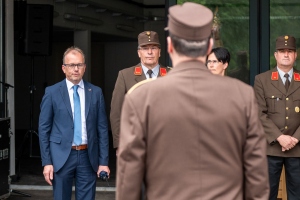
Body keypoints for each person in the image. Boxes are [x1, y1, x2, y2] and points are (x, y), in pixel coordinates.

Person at [116, 2, 269, 200]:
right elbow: (257, 175)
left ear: (169, 47)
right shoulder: (242, 95)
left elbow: (129, 180)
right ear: (209, 47)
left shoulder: (140, 98)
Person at [39, 46, 110, 200]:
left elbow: (102, 129)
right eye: (71, 65)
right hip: (61, 156)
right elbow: (44, 129)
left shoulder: (96, 92)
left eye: (79, 65)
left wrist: (103, 162)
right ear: (64, 68)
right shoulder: (52, 92)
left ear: (84, 68)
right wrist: (47, 162)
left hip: (88, 156)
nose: (76, 69)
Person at [254, 35, 300, 200]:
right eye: (282, 51)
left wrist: (294, 139)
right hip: (271, 147)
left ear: (296, 55)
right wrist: (280, 137)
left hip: (297, 149)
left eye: (290, 51)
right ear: (275, 55)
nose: (286, 54)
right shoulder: (262, 80)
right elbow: (259, 113)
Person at [110, 31, 169, 154]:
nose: (149, 52)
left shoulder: (172, 75)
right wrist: (119, 144)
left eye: (153, 48)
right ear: (139, 52)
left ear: (160, 52)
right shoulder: (125, 76)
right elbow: (116, 112)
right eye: (145, 48)